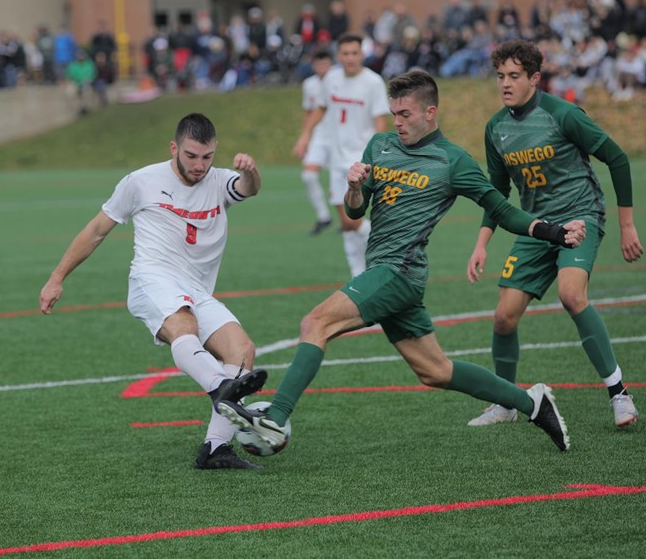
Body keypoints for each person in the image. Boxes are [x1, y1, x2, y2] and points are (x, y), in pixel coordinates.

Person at [220, 71, 584, 455]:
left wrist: (553, 232)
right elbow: (354, 213)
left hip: (398, 271)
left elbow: (503, 211)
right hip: (385, 272)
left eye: (405, 114)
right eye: (394, 113)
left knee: (315, 323)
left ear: (430, 112)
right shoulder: (379, 146)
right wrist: (355, 188)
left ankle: (275, 419)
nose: (397, 122)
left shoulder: (452, 160)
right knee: (436, 371)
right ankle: (534, 404)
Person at [39, 113, 270, 470]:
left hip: (197, 289)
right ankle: (218, 387)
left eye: (207, 157)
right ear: (174, 148)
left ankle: (215, 448)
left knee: (242, 352)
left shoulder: (220, 181)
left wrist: (250, 170)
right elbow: (97, 230)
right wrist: (57, 277)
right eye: (191, 156)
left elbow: (249, 188)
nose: (199, 165)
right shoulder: (141, 182)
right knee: (184, 326)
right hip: (153, 279)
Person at [464, 39, 644, 429]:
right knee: (503, 319)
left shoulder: (562, 114)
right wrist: (482, 243)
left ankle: (619, 395)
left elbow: (617, 158)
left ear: (534, 78)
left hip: (580, 217)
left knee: (571, 295)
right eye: (500, 76)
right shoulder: (496, 128)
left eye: (514, 76)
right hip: (537, 227)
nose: (506, 83)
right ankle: (506, 402)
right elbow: (496, 194)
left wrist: (626, 225)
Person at [293, 33, 389, 276]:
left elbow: (380, 122)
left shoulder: (373, 82)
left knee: (354, 219)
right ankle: (358, 274)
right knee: (346, 222)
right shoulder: (332, 79)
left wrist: (378, 156)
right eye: (345, 53)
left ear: (362, 54)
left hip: (360, 160)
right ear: (338, 55)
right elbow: (321, 108)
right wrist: (305, 136)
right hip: (336, 160)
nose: (350, 58)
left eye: (354, 53)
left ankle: (386, 257)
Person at [297, 49, 335, 234]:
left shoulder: (338, 80)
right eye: (319, 64)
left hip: (339, 138)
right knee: (309, 176)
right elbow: (309, 112)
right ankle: (323, 216)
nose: (322, 68)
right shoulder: (309, 84)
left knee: (344, 181)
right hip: (319, 137)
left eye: (325, 64)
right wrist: (304, 137)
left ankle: (351, 220)